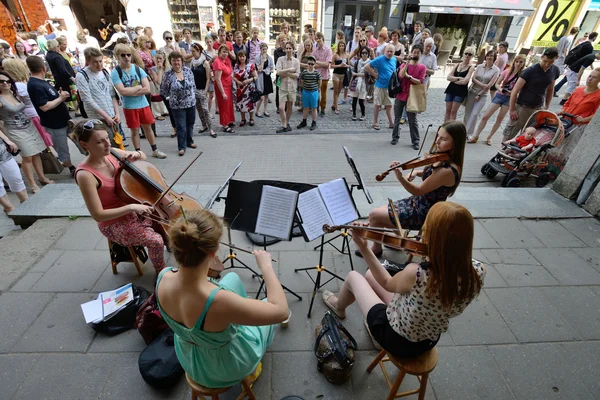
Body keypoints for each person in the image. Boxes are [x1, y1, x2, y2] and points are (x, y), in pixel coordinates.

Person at [321, 201, 485, 359]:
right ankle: (373, 325)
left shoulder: (417, 274)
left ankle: (338, 306)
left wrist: (363, 247)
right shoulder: (479, 270)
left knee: (353, 277)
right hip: (428, 338)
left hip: (396, 338)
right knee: (371, 274)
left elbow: (386, 283)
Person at [156, 209, 288, 388]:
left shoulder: (163, 276)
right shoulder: (219, 301)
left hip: (188, 358)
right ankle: (250, 366)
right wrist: (266, 267)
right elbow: (280, 311)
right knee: (267, 305)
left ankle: (240, 314)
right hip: (224, 368)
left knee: (232, 277)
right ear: (213, 252)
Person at [357, 120, 465, 258]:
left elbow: (418, 191)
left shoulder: (447, 170)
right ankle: (396, 242)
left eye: (443, 139)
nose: (437, 141)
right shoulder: (444, 158)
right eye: (438, 136)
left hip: (424, 212)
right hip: (418, 202)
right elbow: (429, 174)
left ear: (455, 143)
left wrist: (400, 177)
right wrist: (415, 172)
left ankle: (376, 248)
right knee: (380, 214)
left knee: (374, 215)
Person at [73, 119, 166, 273]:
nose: (107, 144)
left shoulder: (112, 154)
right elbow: (98, 215)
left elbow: (143, 156)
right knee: (156, 240)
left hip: (134, 208)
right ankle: (161, 274)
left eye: (107, 138)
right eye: (99, 142)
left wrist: (134, 154)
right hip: (114, 222)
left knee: (165, 221)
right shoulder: (85, 175)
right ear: (84, 145)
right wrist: (131, 207)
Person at [111, 43, 167, 159]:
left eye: (128, 55)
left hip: (143, 104)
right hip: (130, 106)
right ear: (117, 56)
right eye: (123, 55)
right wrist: (137, 88)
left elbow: (147, 89)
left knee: (148, 128)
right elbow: (122, 91)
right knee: (135, 130)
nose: (126, 57)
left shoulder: (137, 69)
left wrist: (130, 91)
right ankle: (138, 153)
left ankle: (155, 149)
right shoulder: (116, 72)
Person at [0, 70, 49, 192]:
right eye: (1, 81)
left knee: (37, 152)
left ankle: (42, 177)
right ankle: (32, 184)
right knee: (27, 157)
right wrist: (6, 139)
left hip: (29, 126)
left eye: (8, 81)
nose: (5, 83)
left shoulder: (13, 93)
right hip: (14, 130)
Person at [26, 55, 75, 176]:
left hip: (63, 120)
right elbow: (45, 106)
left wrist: (59, 96)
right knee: (62, 148)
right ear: (44, 68)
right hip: (55, 124)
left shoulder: (41, 82)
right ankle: (71, 168)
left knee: (77, 140)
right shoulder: (35, 84)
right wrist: (61, 98)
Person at [547, 67, 600, 178]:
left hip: (578, 125)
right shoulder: (579, 89)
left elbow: (596, 114)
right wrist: (563, 111)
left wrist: (584, 119)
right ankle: (547, 165)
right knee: (557, 142)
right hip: (566, 121)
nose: (590, 79)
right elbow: (567, 102)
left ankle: (557, 171)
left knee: (568, 148)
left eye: (594, 77)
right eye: (590, 76)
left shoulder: (598, 96)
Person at [503, 47, 560, 141]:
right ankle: (502, 152)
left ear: (556, 59)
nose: (547, 64)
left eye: (550, 62)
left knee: (528, 136)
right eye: (545, 61)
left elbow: (550, 89)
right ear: (542, 57)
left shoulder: (555, 70)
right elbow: (515, 90)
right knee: (510, 133)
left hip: (537, 108)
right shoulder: (530, 70)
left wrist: (547, 105)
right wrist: (512, 109)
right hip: (523, 107)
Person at [473, 54, 526, 146]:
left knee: (499, 119)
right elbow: (497, 84)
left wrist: (514, 93)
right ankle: (475, 135)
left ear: (524, 63)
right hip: (500, 95)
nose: (518, 64)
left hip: (510, 98)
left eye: (521, 62)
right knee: (485, 116)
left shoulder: (523, 75)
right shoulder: (507, 71)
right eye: (517, 61)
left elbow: (522, 89)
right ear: (514, 62)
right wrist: (501, 89)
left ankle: (489, 137)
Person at [2, 59, 53, 149]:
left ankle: (55, 161)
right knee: (46, 141)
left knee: (44, 142)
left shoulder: (17, 86)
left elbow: (18, 104)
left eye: (4, 68)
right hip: (35, 114)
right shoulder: (25, 82)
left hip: (30, 116)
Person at [75, 47, 122, 144]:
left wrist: (117, 113)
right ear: (88, 62)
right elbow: (87, 99)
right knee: (105, 145)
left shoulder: (104, 72)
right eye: (95, 62)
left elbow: (112, 94)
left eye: (100, 61)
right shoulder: (82, 75)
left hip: (111, 114)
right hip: (97, 117)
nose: (99, 64)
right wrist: (106, 117)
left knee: (117, 143)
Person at [160, 52, 197, 156]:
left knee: (190, 123)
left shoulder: (188, 71)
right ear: (171, 61)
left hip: (190, 102)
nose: (176, 62)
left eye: (178, 60)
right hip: (177, 105)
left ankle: (190, 141)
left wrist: (193, 96)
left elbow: (193, 85)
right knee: (181, 126)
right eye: (174, 60)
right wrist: (171, 97)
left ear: (182, 61)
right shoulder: (167, 74)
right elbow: (163, 90)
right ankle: (181, 146)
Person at [392, 44, 426, 148]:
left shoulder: (422, 67)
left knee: (412, 119)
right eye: (414, 52)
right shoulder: (404, 65)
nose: (415, 54)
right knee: (397, 118)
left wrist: (409, 77)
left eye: (418, 53)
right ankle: (395, 137)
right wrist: (407, 63)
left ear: (421, 54)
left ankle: (415, 141)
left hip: (412, 96)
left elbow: (420, 81)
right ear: (411, 53)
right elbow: (401, 75)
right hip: (401, 94)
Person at [464, 50, 500, 142]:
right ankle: (463, 131)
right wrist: (482, 85)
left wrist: (480, 93)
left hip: (483, 95)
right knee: (468, 112)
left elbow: (490, 85)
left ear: (494, 58)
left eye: (491, 56)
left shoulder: (496, 70)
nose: (489, 57)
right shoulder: (480, 66)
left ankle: (469, 133)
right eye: (488, 55)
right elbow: (473, 79)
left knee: (475, 114)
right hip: (472, 91)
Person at [554, 31, 598, 97]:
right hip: (577, 66)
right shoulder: (589, 47)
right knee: (572, 82)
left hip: (573, 63)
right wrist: (591, 67)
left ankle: (555, 89)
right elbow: (588, 58)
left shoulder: (584, 43)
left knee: (566, 78)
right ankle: (564, 96)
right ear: (594, 38)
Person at [364, 44, 396, 131]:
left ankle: (391, 123)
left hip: (389, 87)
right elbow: (367, 67)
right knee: (377, 105)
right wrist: (374, 74)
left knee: (389, 105)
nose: (389, 53)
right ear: (385, 51)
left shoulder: (394, 59)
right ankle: (375, 122)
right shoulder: (380, 59)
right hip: (380, 86)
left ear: (394, 52)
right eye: (388, 51)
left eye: (391, 51)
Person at [273, 41, 300, 133]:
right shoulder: (280, 59)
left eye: (290, 48)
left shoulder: (296, 61)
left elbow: (297, 75)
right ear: (285, 49)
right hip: (283, 86)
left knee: (289, 107)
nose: (288, 50)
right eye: (287, 48)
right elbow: (278, 72)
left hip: (292, 87)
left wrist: (286, 73)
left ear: (293, 50)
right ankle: (284, 124)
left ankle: (286, 124)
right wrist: (289, 70)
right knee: (281, 107)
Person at [190, 43, 216, 138]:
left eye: (193, 51)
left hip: (202, 89)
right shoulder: (192, 62)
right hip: (194, 89)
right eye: (191, 51)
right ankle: (204, 125)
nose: (192, 53)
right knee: (199, 109)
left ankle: (211, 128)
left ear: (199, 51)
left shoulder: (205, 63)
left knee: (205, 109)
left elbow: (208, 78)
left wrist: (206, 90)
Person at [0, 127, 28, 213]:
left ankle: (26, 204)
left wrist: (7, 140)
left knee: (16, 178)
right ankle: (9, 208)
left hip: (3, 153)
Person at [444, 48, 475, 122]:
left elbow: (465, 81)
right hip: (451, 89)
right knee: (447, 111)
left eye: (470, 54)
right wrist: (458, 78)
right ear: (463, 54)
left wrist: (453, 79)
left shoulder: (471, 67)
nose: (467, 55)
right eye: (466, 53)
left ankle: (451, 129)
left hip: (460, 91)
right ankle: (444, 127)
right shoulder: (457, 64)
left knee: (453, 111)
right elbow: (448, 77)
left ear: (472, 56)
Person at [212, 45, 236, 133]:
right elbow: (217, 79)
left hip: (228, 85)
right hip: (222, 87)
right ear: (219, 52)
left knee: (229, 105)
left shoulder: (226, 60)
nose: (225, 54)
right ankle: (225, 125)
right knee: (224, 106)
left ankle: (229, 121)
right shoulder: (217, 62)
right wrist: (222, 93)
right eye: (223, 52)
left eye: (226, 52)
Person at [232, 51, 258, 129]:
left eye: (243, 56)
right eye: (240, 56)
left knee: (250, 104)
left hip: (249, 88)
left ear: (246, 57)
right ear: (238, 57)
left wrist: (248, 80)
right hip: (240, 88)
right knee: (241, 104)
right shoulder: (236, 66)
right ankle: (243, 119)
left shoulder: (250, 66)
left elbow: (256, 77)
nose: (242, 58)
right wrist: (237, 81)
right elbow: (233, 76)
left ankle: (251, 118)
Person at [297, 55, 321, 131]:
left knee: (314, 108)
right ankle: (304, 121)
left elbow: (319, 82)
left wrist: (318, 91)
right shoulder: (304, 72)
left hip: (314, 92)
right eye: (309, 63)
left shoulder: (317, 73)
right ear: (307, 64)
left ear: (314, 64)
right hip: (306, 92)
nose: (310, 65)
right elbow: (302, 82)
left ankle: (314, 122)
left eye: (312, 64)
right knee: (305, 108)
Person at [313, 32, 332, 117]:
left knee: (323, 93)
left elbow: (327, 65)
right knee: (316, 92)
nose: (318, 40)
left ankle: (323, 108)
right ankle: (316, 107)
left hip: (324, 75)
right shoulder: (315, 50)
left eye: (319, 38)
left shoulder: (328, 50)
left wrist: (317, 62)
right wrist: (321, 64)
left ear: (322, 39)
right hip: (316, 74)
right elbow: (312, 64)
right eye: (316, 39)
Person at [349, 47, 370, 121]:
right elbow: (353, 74)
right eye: (363, 53)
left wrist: (356, 74)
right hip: (356, 82)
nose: (364, 54)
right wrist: (350, 83)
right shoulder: (357, 62)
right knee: (354, 99)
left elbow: (367, 75)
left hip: (364, 84)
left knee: (361, 101)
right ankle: (354, 114)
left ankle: (363, 114)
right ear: (360, 54)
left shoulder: (370, 63)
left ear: (368, 54)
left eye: (366, 53)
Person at [255, 42, 275, 118]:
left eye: (265, 49)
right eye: (263, 49)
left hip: (267, 77)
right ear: (260, 49)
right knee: (261, 96)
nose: (264, 51)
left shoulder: (269, 57)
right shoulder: (257, 57)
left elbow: (272, 67)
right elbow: (259, 69)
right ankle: (257, 110)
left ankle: (265, 110)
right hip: (260, 77)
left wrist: (270, 70)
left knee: (266, 95)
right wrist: (263, 60)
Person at [331, 40, 349, 114]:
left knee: (338, 91)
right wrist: (339, 65)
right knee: (335, 91)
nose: (341, 47)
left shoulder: (347, 55)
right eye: (340, 46)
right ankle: (336, 106)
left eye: (343, 45)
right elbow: (331, 65)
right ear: (338, 46)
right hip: (336, 74)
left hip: (343, 75)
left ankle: (334, 104)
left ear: (344, 46)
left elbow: (349, 65)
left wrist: (346, 65)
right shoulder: (335, 55)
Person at [203, 36, 218, 117]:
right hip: (209, 74)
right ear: (205, 43)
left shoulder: (216, 51)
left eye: (210, 42)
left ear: (213, 42)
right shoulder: (204, 53)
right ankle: (209, 111)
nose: (209, 43)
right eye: (207, 42)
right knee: (211, 94)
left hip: (217, 74)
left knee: (218, 93)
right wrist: (211, 60)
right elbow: (204, 64)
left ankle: (217, 108)